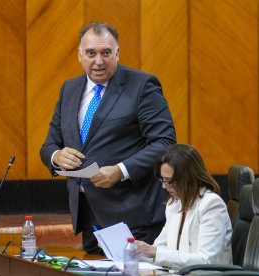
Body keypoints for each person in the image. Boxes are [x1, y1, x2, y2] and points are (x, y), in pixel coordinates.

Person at [40, 22, 176, 253]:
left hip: (133, 218)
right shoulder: (69, 89)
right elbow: (50, 144)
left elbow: (164, 143)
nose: (99, 61)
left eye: (106, 52)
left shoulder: (143, 86)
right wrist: (56, 156)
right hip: (88, 216)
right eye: (91, 53)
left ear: (117, 53)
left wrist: (121, 170)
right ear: (80, 55)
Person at [136, 144, 232, 270]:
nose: (164, 187)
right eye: (163, 180)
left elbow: (207, 262)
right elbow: (161, 248)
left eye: (169, 181)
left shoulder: (212, 205)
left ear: (188, 178)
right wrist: (133, 252)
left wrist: (154, 252)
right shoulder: (174, 204)